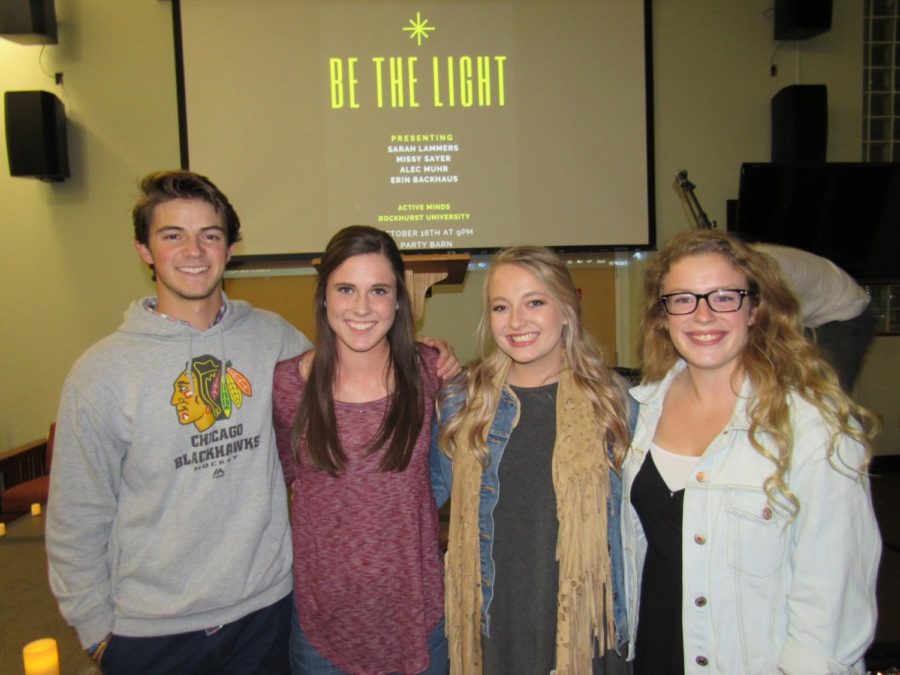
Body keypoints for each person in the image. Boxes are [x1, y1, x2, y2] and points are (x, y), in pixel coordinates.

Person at [45, 172, 457, 674]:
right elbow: (77, 514)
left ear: (231, 247)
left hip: (265, 613)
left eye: (210, 235)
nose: (194, 250)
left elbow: (355, 380)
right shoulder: (101, 373)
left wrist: (429, 353)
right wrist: (97, 634)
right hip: (153, 631)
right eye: (173, 234)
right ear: (144, 250)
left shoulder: (272, 343)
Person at [623, 229, 881, 674]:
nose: (703, 315)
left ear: (755, 310)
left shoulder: (813, 427)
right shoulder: (643, 411)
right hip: (657, 647)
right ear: (662, 316)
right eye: (683, 299)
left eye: (724, 297)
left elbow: (833, 596)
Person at [431, 246, 632, 675]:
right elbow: (415, 499)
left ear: (566, 309)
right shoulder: (462, 403)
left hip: (586, 635)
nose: (517, 322)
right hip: (494, 629)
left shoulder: (614, 403)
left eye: (535, 302)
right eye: (502, 307)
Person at [273, 226, 450, 674]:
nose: (361, 307)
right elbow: (276, 487)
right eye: (346, 289)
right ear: (324, 298)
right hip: (322, 629)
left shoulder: (432, 374)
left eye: (379, 291)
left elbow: (447, 480)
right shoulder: (287, 385)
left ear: (397, 301)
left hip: (418, 619)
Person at [751, 242, 876, 391]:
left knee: (827, 393)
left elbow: (763, 328)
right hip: (807, 316)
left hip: (845, 313)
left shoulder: (761, 271)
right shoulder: (743, 261)